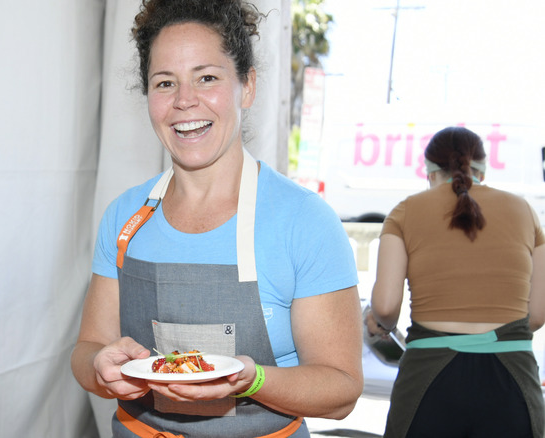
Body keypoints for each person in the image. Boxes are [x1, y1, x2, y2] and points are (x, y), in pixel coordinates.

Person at [70, 1, 363, 437]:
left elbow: (341, 391)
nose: (184, 101)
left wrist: (255, 379)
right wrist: (99, 368)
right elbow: (86, 349)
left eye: (207, 77)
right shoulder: (126, 216)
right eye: (165, 82)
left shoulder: (304, 222)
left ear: (247, 87)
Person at [365, 126, 545, 438]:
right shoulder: (524, 211)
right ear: (483, 169)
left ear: (429, 172)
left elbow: (386, 306)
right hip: (511, 377)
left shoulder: (406, 212)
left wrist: (376, 322)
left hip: (429, 379)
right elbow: (538, 314)